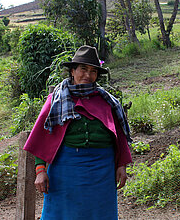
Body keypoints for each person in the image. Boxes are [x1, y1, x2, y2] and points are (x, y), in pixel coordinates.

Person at [23, 45, 132, 219]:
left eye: (93, 71)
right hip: (66, 171)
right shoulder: (57, 100)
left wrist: (121, 165)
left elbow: (119, 136)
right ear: (72, 71)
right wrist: (40, 170)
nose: (88, 75)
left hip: (101, 171)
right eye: (83, 69)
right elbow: (42, 136)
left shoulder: (107, 101)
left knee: (100, 214)